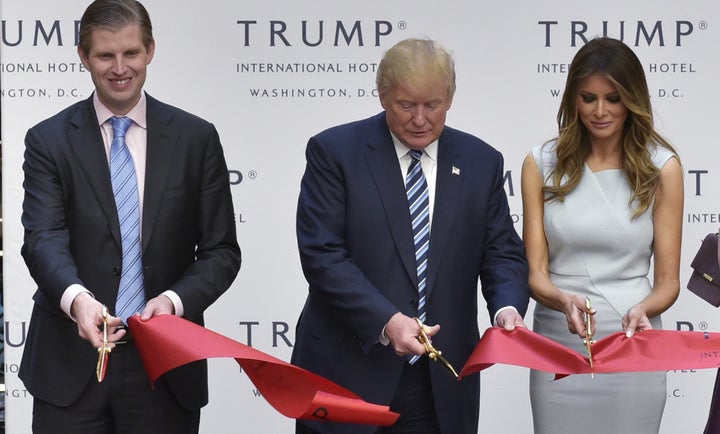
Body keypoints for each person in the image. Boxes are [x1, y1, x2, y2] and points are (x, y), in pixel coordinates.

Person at [18, 0, 241, 432]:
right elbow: (43, 238)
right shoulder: (48, 140)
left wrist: (173, 303)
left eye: (131, 53)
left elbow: (221, 252)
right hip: (71, 363)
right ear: (84, 57)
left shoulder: (196, 138)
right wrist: (78, 301)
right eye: (105, 55)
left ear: (150, 50)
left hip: (165, 366)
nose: (120, 68)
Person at [291, 37, 530, 434]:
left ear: (449, 99)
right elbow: (322, 254)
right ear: (383, 95)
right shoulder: (334, 152)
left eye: (432, 105)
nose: (420, 119)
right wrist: (387, 321)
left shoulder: (481, 162)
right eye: (406, 105)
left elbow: (501, 251)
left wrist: (507, 310)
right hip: (347, 375)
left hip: (439, 384)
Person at [521, 37, 683, 434]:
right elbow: (536, 275)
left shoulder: (662, 168)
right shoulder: (539, 164)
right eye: (588, 98)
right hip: (559, 341)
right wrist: (561, 299)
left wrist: (644, 309)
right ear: (573, 99)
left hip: (632, 340)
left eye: (613, 98)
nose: (600, 111)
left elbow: (668, 282)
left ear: (633, 98)